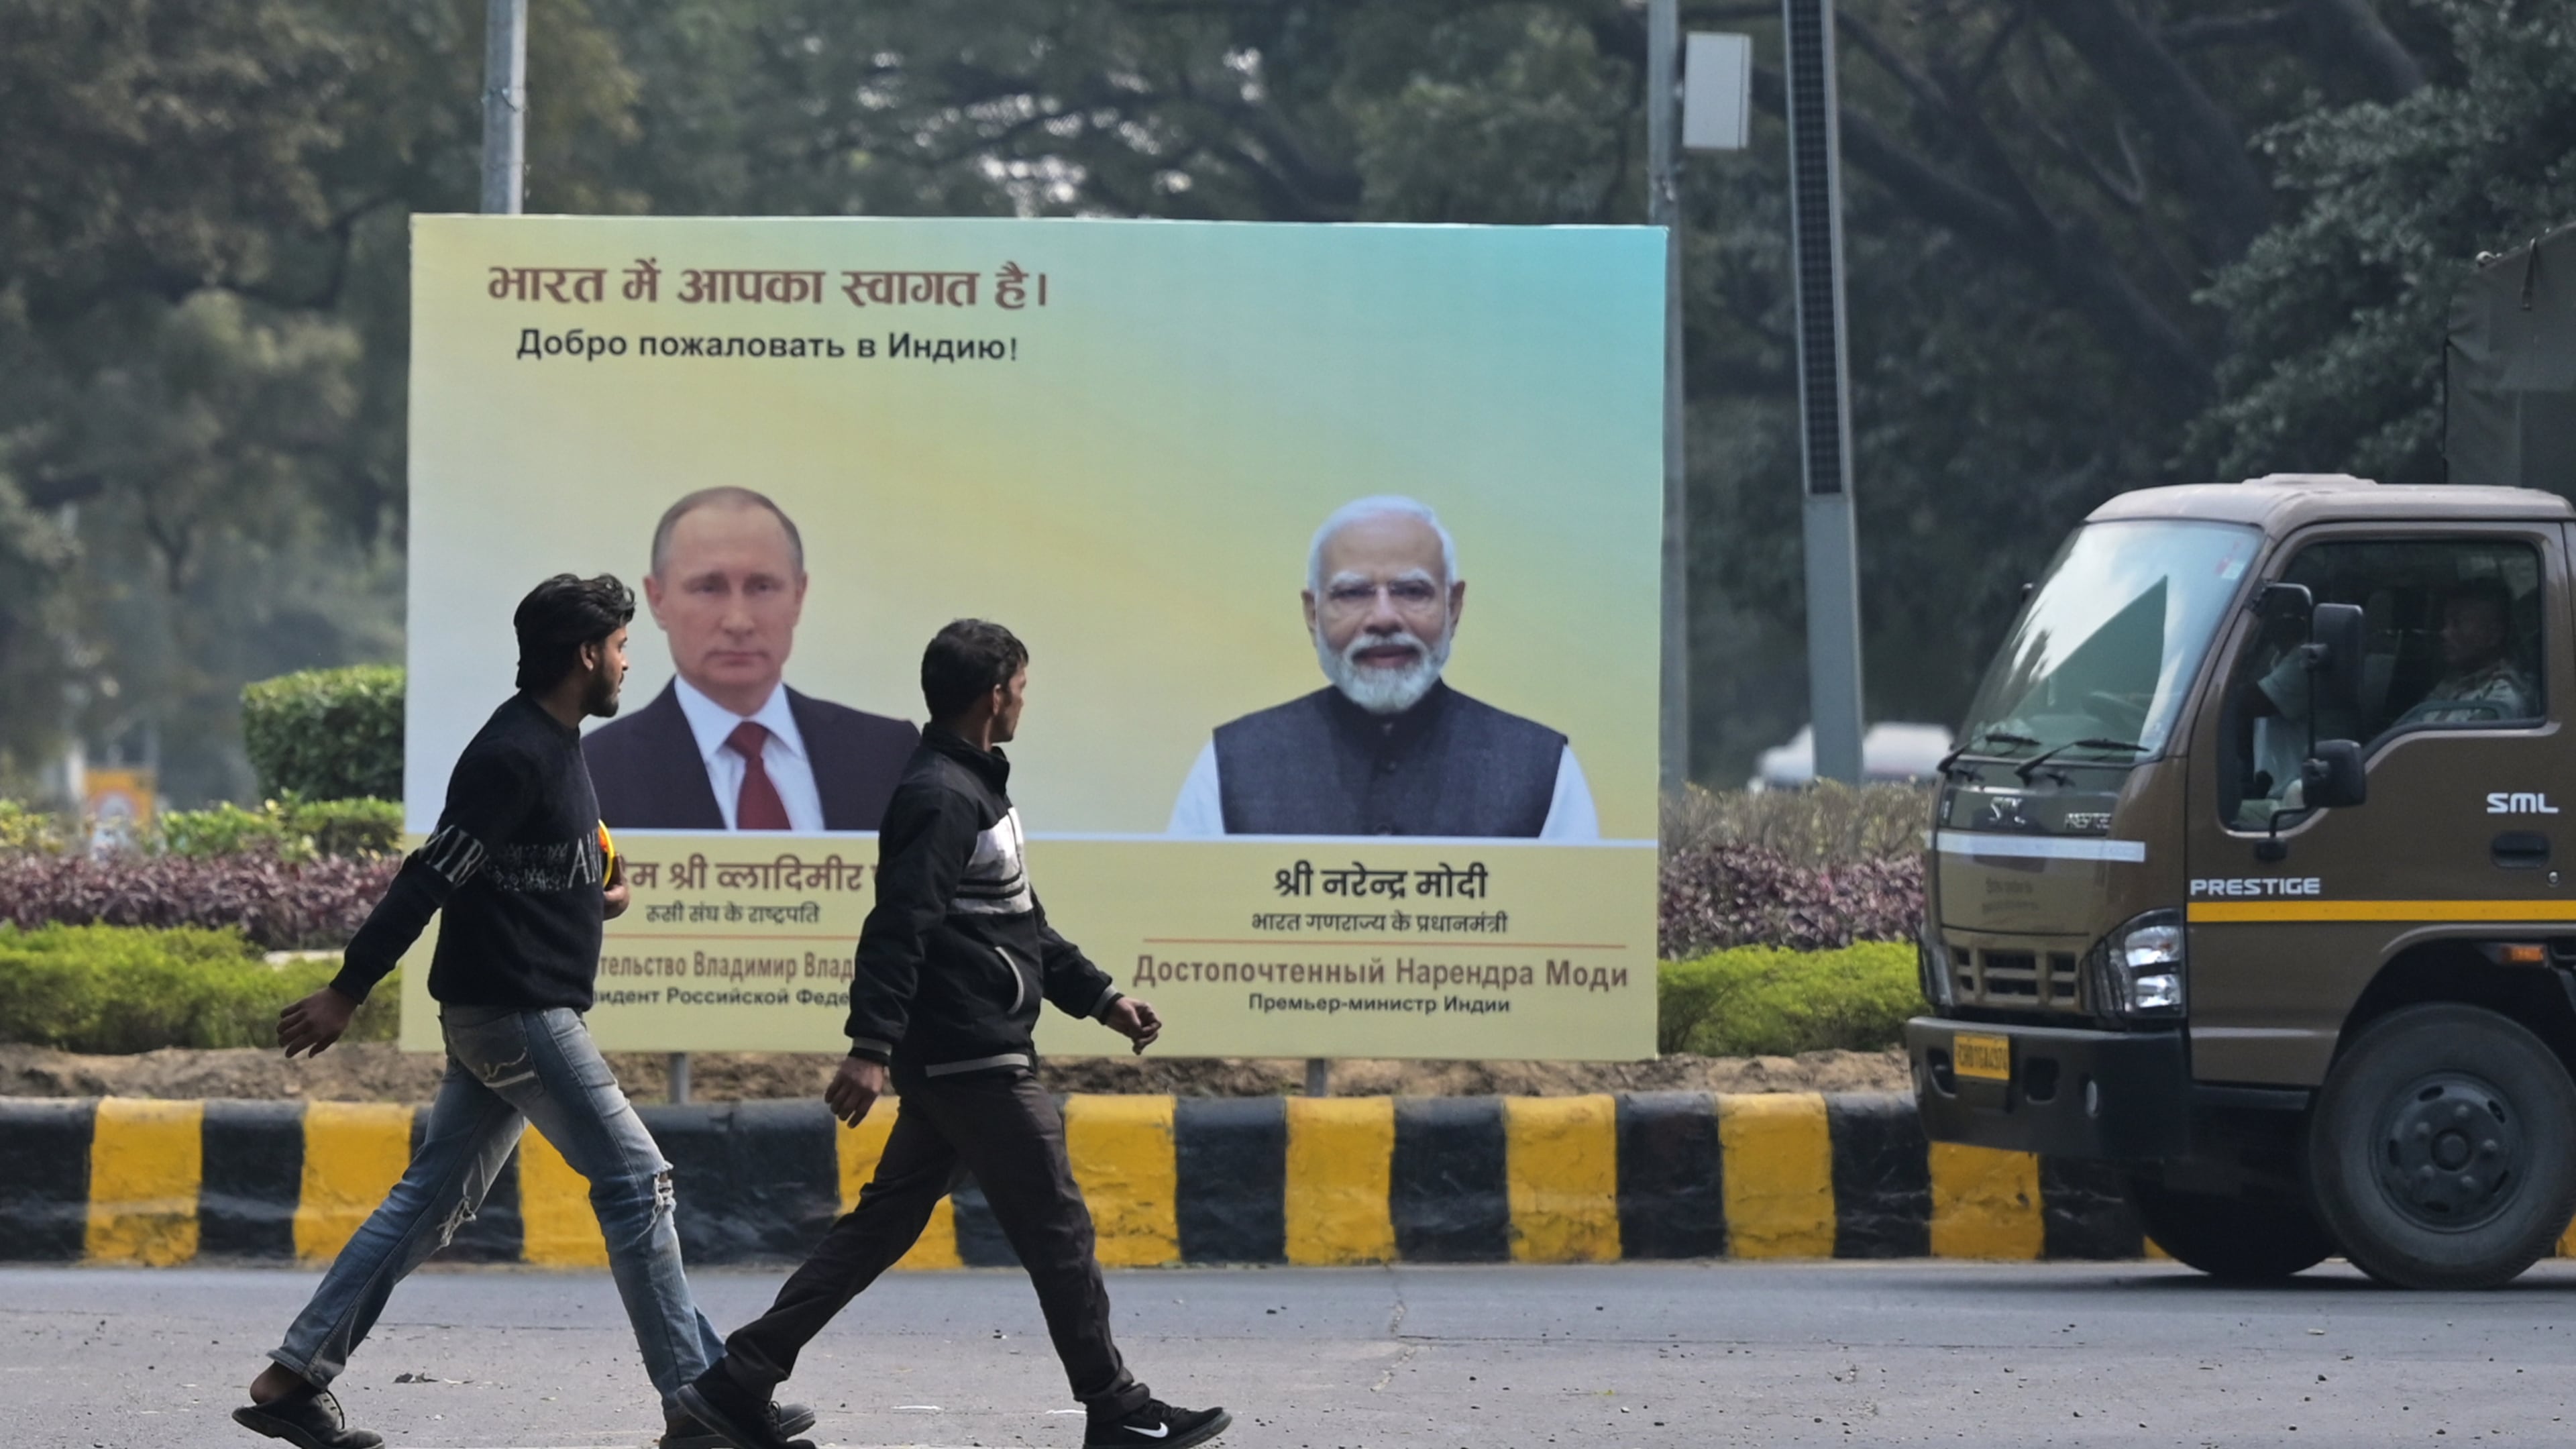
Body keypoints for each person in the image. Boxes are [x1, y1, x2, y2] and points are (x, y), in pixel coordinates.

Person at [231, 574, 814, 1449]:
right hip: (519, 1013)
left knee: (434, 1202)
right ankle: (698, 1394)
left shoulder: (558, 745)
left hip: (505, 1012)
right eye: (621, 647)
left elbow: (533, 866)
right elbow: (433, 874)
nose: (628, 663)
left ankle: (291, 1379)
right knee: (635, 1180)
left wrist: (600, 893)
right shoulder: (514, 756)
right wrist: (348, 990)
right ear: (586, 654)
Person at [676, 620, 1232, 1449]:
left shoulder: (978, 791)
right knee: (1058, 1227)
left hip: (968, 1052)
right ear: (994, 694)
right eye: (1021, 689)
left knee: (881, 1228)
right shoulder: (940, 796)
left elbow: (1023, 925)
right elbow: (898, 926)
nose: (1023, 704)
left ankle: (734, 1386)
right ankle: (1115, 1407)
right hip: (973, 1055)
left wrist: (1104, 999)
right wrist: (869, 1048)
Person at [1167, 494, 1597, 837]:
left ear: (1454, 606)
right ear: (1313, 614)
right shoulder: (1231, 765)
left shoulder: (1542, 770)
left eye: (1412, 591)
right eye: (1353, 594)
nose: (1384, 618)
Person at [586, 487, 916, 832]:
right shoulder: (595, 775)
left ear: (799, 596)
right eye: (709, 588)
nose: (738, 621)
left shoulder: (888, 757)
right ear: (658, 599)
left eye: (762, 587)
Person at [2414, 581, 2536, 723]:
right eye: (2445, 623)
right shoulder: (2455, 680)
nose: (2445, 633)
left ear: (2493, 635)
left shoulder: (2501, 700)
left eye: (2457, 624)